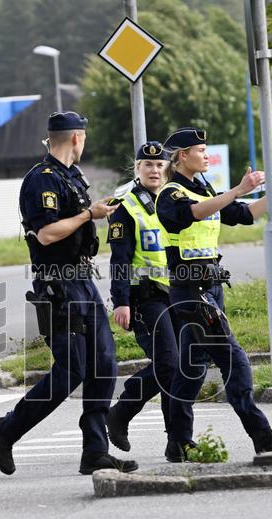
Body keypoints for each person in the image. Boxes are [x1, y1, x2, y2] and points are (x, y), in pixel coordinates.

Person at [0, 111, 138, 476]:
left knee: (104, 365)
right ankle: (5, 430)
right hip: (57, 285)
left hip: (82, 279)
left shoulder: (71, 177)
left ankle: (95, 450)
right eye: (83, 138)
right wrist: (89, 215)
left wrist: (97, 214)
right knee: (71, 371)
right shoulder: (42, 180)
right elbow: (47, 234)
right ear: (75, 139)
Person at [155, 127, 272, 461]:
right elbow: (193, 213)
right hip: (191, 291)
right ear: (182, 157)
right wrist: (237, 188)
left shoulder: (203, 188)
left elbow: (245, 214)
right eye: (201, 150)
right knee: (235, 361)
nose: (207, 156)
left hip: (211, 287)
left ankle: (177, 442)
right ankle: (262, 435)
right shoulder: (171, 194)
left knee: (191, 370)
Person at [105, 141, 181, 452]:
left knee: (177, 368)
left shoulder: (172, 201)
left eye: (160, 165)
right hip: (145, 299)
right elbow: (119, 259)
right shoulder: (126, 206)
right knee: (169, 365)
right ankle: (121, 412)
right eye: (147, 165)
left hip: (176, 295)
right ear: (137, 169)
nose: (154, 169)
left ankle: (176, 440)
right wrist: (121, 301)